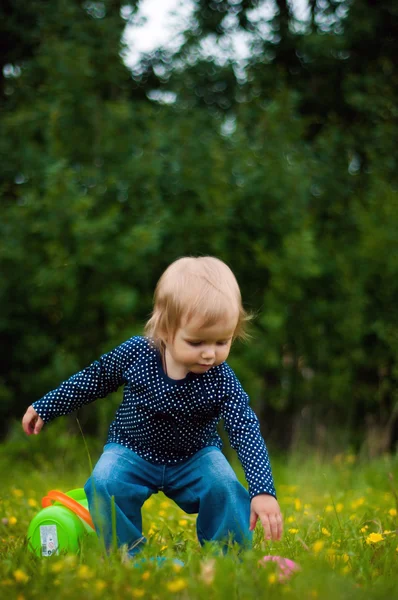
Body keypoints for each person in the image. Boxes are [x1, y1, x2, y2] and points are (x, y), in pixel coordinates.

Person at [22, 256, 283, 558]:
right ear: (165, 330)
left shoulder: (221, 379)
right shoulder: (137, 354)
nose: (210, 354)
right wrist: (47, 406)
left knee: (223, 484)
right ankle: (129, 558)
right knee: (104, 483)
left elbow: (245, 429)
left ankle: (231, 561)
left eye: (222, 342)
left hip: (195, 456)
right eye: (197, 342)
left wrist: (262, 490)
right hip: (131, 450)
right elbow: (93, 379)